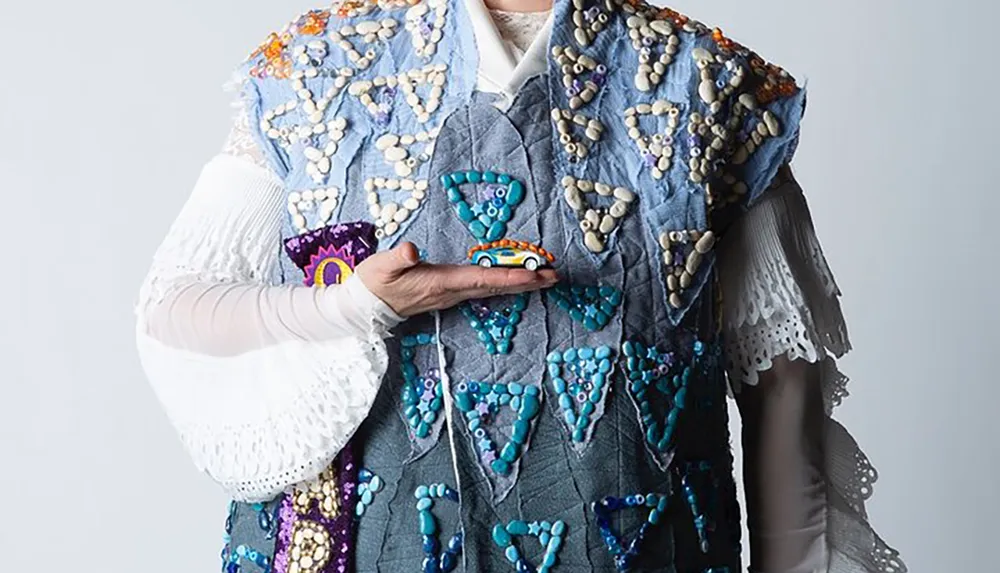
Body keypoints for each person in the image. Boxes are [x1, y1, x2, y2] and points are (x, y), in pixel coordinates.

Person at [134, 0, 905, 571]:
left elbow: (783, 401)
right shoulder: (316, 73)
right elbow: (176, 305)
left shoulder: (713, 90)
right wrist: (355, 305)